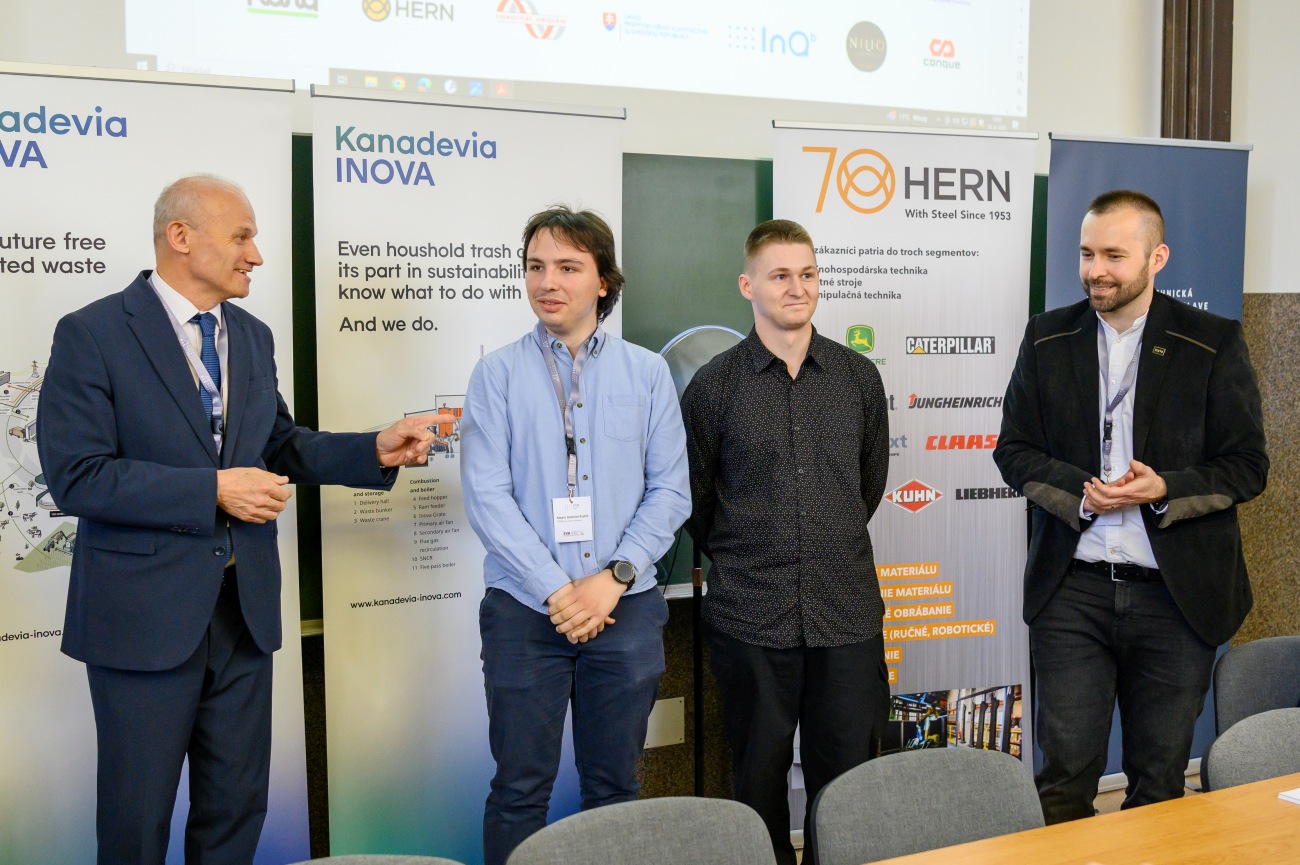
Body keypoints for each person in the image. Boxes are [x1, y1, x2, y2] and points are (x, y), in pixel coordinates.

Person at [36, 174, 449, 865]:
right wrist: (212, 490)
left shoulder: (252, 337)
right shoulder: (93, 333)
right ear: (180, 236)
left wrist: (371, 448)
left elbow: (277, 445)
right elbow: (78, 474)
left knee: (236, 810)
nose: (256, 255)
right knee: (136, 822)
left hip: (243, 616)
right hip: (143, 621)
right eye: (241, 236)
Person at [993, 189, 1268, 823]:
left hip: (1176, 598)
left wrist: (1165, 488)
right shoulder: (1047, 336)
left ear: (1157, 258)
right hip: (1073, 591)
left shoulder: (1211, 342)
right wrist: (1080, 492)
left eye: (1114, 256)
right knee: (1063, 778)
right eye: (1087, 254)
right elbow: (1014, 450)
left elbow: (1247, 465)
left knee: (1160, 781)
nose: (1096, 270)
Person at [459, 205, 691, 865]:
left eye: (567, 267)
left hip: (625, 609)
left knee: (615, 788)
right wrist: (559, 591)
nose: (547, 282)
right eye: (536, 267)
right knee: (518, 790)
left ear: (602, 281)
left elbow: (670, 490)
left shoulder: (646, 373)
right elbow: (487, 496)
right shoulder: (496, 375)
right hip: (525, 612)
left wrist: (611, 580)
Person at [680, 219, 891, 865]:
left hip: (845, 612)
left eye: (807, 273)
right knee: (756, 778)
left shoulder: (858, 377)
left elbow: (868, 486)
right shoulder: (714, 386)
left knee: (848, 782)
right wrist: (754, 550)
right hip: (751, 615)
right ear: (748, 286)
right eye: (780, 275)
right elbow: (696, 503)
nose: (797, 287)